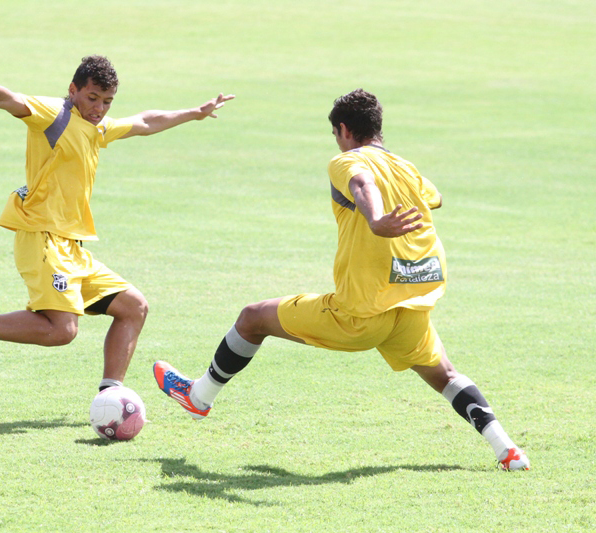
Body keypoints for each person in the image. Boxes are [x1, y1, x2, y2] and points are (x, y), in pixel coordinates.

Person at [154, 89, 530, 471]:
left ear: (344, 130)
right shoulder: (405, 167)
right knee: (445, 375)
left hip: (358, 316)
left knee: (252, 318)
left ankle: (199, 397)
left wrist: (376, 219)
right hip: (410, 306)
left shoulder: (346, 161)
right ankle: (508, 450)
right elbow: (436, 197)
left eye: (335, 134)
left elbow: (362, 184)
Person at [0, 55, 234, 393]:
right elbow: (6, 98)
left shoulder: (98, 127)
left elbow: (145, 121)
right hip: (42, 238)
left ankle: (110, 396)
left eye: (107, 101)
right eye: (92, 98)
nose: (99, 108)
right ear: (73, 90)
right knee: (61, 331)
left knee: (134, 307)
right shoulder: (53, 115)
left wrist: (194, 113)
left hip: (72, 248)